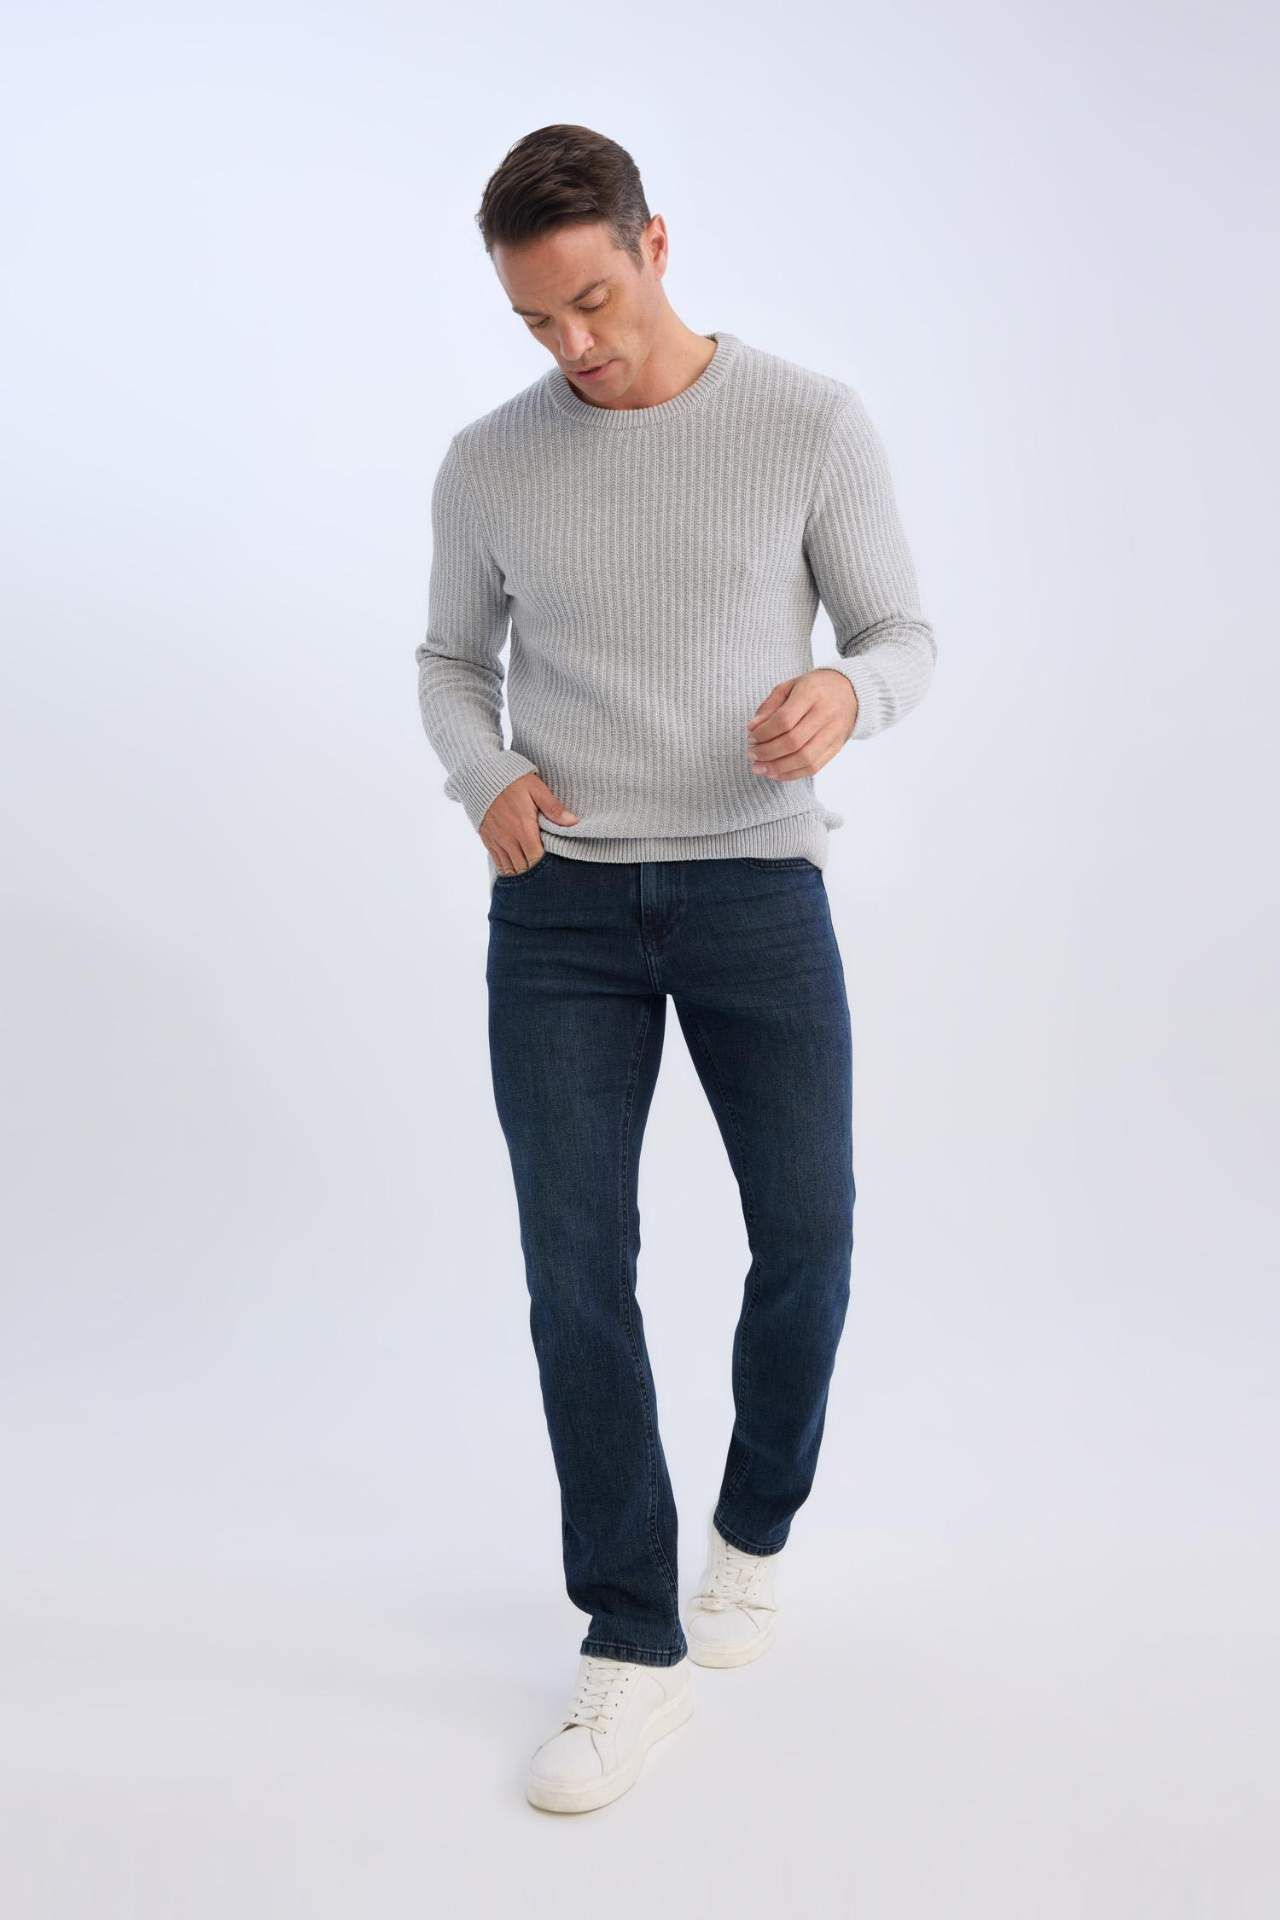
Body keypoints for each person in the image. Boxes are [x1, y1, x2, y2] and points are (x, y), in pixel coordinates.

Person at [415, 123, 936, 1815]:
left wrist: (849, 695)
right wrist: (486, 774)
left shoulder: (807, 423)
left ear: (654, 243)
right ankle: (629, 1644)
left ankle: (752, 1530)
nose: (572, 344)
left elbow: (900, 632)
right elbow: (448, 661)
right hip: (560, 912)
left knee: (810, 1237)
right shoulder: (490, 462)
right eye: (536, 319)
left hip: (755, 891)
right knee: (577, 1270)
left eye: (593, 301)